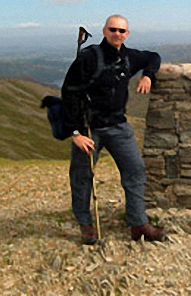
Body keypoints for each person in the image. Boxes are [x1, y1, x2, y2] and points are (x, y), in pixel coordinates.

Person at [61, 14, 166, 244]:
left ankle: (138, 224)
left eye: (121, 31)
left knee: (135, 171)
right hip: (90, 129)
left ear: (127, 34)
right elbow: (70, 93)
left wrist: (147, 75)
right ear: (104, 31)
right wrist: (76, 133)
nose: (117, 34)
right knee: (82, 176)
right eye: (113, 29)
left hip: (118, 125)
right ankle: (86, 224)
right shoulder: (89, 57)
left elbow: (154, 57)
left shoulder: (128, 57)